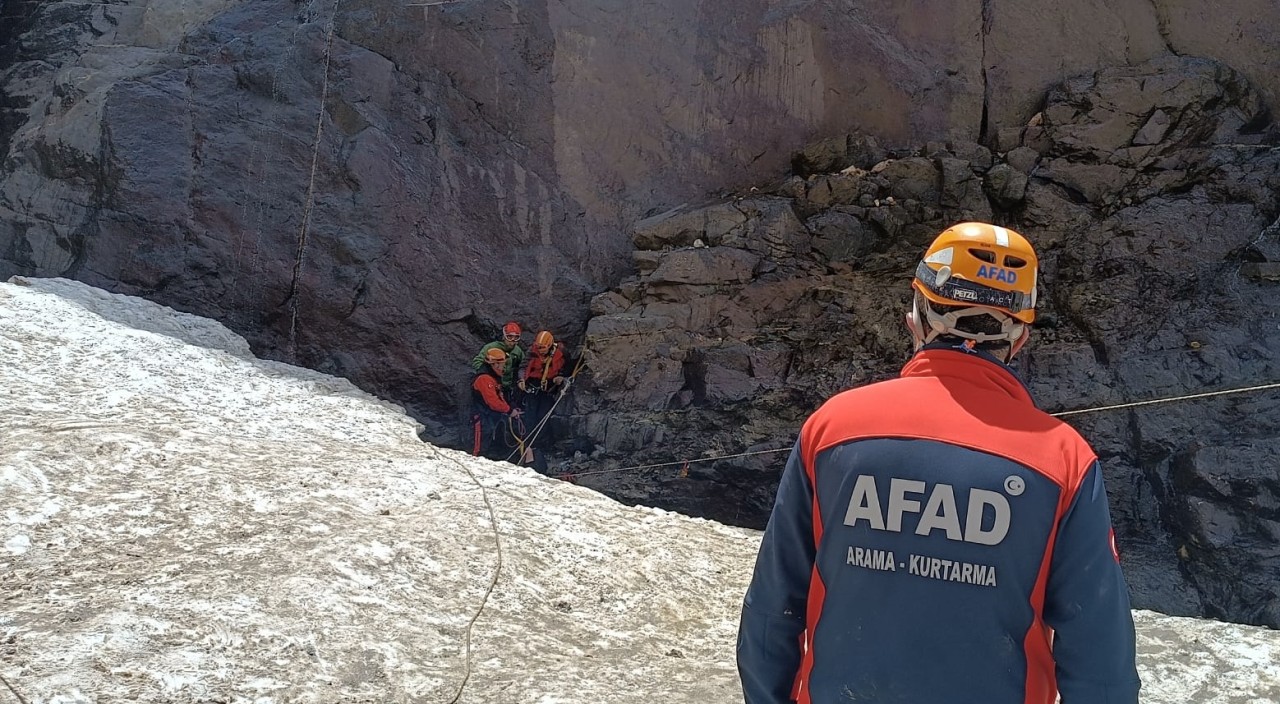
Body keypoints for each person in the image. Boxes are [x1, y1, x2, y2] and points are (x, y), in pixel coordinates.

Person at [737, 222, 1139, 704]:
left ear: (917, 316)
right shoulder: (1063, 458)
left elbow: (772, 609)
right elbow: (1099, 652)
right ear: (1020, 337)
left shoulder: (832, 428)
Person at [518, 330, 569, 471]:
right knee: (530, 418)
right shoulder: (531, 352)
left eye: (542, 347)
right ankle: (529, 447)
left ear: (549, 345)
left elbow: (568, 366)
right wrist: (521, 379)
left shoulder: (562, 352)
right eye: (538, 347)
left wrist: (562, 377)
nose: (539, 350)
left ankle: (540, 447)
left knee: (543, 417)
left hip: (548, 389)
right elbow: (523, 366)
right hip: (532, 388)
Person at [470, 347, 523, 459]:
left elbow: (500, 397)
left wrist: (511, 407)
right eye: (502, 364)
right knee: (479, 448)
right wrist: (509, 410)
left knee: (491, 442)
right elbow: (493, 402)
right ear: (495, 364)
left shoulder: (493, 378)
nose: (503, 367)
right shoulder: (484, 379)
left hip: (491, 417)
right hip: (482, 417)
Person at [470, 321, 525, 391]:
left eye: (516, 337)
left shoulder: (517, 351)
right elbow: (477, 362)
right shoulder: (490, 347)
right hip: (492, 384)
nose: (512, 340)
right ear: (504, 337)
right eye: (509, 337)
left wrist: (521, 379)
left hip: (507, 386)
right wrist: (489, 373)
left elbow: (524, 364)